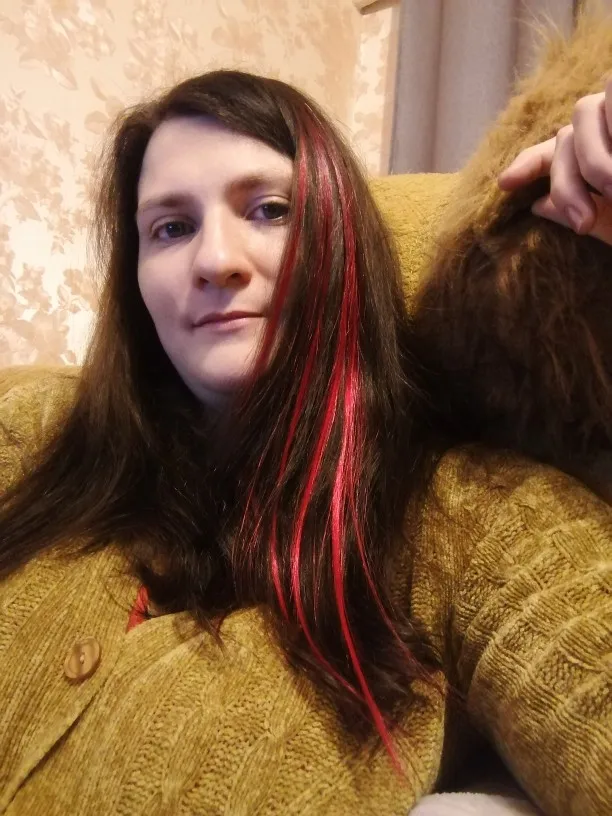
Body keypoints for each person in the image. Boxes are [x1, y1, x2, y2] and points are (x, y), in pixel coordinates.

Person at [0, 59, 610, 815]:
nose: (216, 261)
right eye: (172, 228)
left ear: (342, 242)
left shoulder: (474, 520)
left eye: (269, 210)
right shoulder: (29, 434)